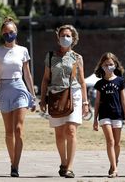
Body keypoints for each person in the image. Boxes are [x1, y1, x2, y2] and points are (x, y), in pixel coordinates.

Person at [39, 24, 89, 178]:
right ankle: (63, 162)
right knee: (59, 133)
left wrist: (85, 102)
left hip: (73, 94)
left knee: (71, 131)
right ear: (58, 38)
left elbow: (82, 82)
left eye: (68, 36)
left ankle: (69, 167)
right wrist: (42, 99)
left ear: (73, 38)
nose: (65, 38)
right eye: (62, 35)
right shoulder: (50, 56)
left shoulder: (77, 58)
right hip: (55, 95)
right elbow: (45, 79)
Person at [0, 17, 37, 177]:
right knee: (9, 131)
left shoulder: (23, 50)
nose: (8, 34)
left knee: (18, 129)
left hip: (20, 88)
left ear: (16, 32)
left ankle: (15, 166)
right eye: (5, 32)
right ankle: (12, 161)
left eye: (11, 32)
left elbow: (27, 74)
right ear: (2, 34)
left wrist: (33, 95)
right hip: (4, 89)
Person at [92, 52, 125, 178]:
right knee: (110, 141)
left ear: (115, 65)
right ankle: (114, 169)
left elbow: (123, 100)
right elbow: (97, 102)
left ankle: (114, 162)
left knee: (117, 143)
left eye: (111, 64)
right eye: (106, 64)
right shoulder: (99, 83)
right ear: (102, 66)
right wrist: (95, 119)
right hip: (104, 115)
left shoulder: (120, 81)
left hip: (117, 114)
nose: (108, 66)